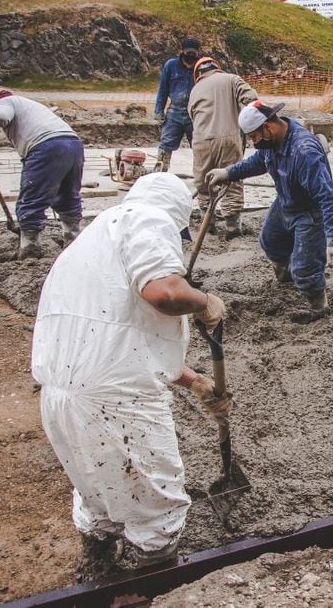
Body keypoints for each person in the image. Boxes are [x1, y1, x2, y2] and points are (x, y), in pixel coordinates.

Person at [32, 172, 231, 578]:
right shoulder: (149, 219)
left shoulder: (93, 238)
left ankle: (96, 569)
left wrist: (193, 380)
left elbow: (118, 333)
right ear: (177, 215)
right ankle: (151, 581)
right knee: (156, 500)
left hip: (60, 392)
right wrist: (205, 301)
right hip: (117, 400)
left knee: (97, 485)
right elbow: (166, 294)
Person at [207, 100, 333, 313]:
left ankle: (318, 306)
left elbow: (328, 196)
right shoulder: (271, 143)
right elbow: (258, 162)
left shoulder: (304, 152)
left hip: (309, 211)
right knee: (270, 242)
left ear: (268, 127)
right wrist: (229, 172)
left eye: (254, 137)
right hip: (285, 202)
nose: (254, 142)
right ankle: (286, 277)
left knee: (305, 270)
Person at [0, 88, 84, 260]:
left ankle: (30, 251)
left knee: (32, 198)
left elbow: (1, 116)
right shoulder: (30, 105)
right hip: (74, 144)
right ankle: (75, 244)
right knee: (68, 197)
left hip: (47, 147)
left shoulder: (5, 103)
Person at [187, 57, 258, 238]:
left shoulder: (195, 89)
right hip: (228, 139)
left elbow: (192, 116)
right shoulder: (231, 79)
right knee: (232, 180)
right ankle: (232, 227)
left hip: (201, 141)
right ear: (217, 67)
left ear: (197, 74)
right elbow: (251, 99)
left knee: (204, 183)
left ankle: (207, 224)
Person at [153, 37, 201, 174]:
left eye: (194, 53)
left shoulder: (201, 67)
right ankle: (160, 173)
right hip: (174, 112)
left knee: (200, 146)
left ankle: (201, 176)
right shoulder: (171, 66)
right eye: (188, 52)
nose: (190, 56)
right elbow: (162, 90)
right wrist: (159, 112)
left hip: (195, 113)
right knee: (165, 144)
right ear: (182, 51)